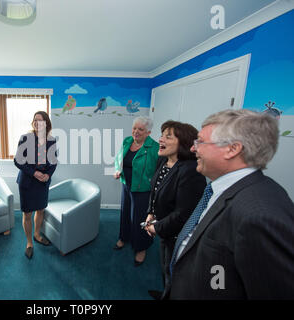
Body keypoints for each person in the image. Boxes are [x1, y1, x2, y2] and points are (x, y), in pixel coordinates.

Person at [166, 109, 294, 299]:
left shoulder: (259, 215)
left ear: (232, 149)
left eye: (200, 141)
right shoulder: (223, 189)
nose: (193, 149)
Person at [143, 121, 206, 299]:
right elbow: (154, 190)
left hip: (178, 235)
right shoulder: (163, 160)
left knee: (175, 272)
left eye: (168, 136)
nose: (160, 139)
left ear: (184, 143)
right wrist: (151, 213)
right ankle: (166, 294)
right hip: (164, 228)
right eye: (162, 134)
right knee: (164, 267)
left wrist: (157, 227)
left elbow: (184, 213)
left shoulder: (191, 171)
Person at [113, 116, 159, 266]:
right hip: (126, 185)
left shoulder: (154, 148)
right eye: (134, 128)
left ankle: (141, 248)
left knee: (140, 219)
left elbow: (158, 170)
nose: (136, 132)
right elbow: (119, 159)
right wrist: (117, 170)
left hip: (143, 189)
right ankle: (124, 237)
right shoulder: (127, 141)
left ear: (148, 132)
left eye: (141, 129)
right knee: (125, 213)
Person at [14, 111, 57, 260]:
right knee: (27, 213)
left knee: (40, 209)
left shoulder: (51, 140)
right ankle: (29, 243)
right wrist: (34, 173)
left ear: (46, 123)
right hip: (27, 182)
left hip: (42, 183)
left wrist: (48, 174)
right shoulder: (25, 138)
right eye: (35, 120)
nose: (37, 123)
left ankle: (37, 234)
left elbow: (53, 162)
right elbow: (18, 161)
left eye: (40, 120)